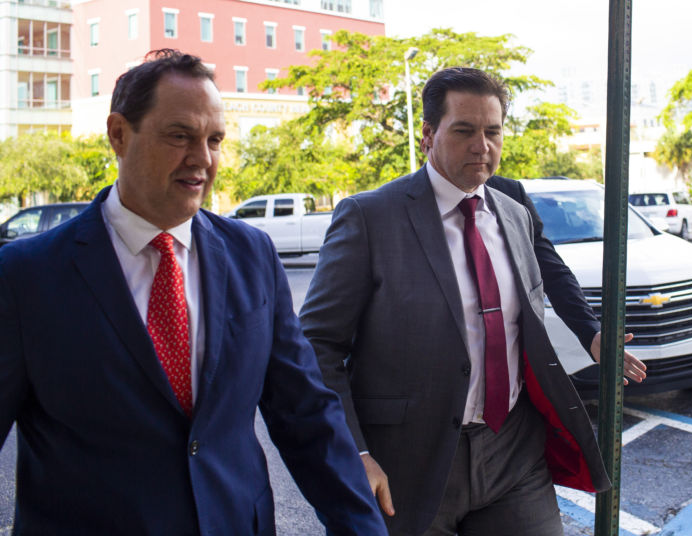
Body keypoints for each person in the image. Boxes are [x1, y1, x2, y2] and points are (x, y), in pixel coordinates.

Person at [0, 49, 387, 536]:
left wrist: (360, 527)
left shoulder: (252, 255)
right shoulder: (25, 275)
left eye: (214, 140)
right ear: (118, 134)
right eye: (180, 135)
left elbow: (306, 414)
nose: (202, 158)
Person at [299, 67, 647, 536]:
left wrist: (592, 333)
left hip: (513, 452)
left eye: (493, 132)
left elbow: (551, 273)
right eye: (464, 131)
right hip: (406, 462)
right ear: (428, 135)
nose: (482, 146)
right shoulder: (370, 217)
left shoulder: (513, 210)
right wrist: (353, 452)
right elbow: (317, 344)